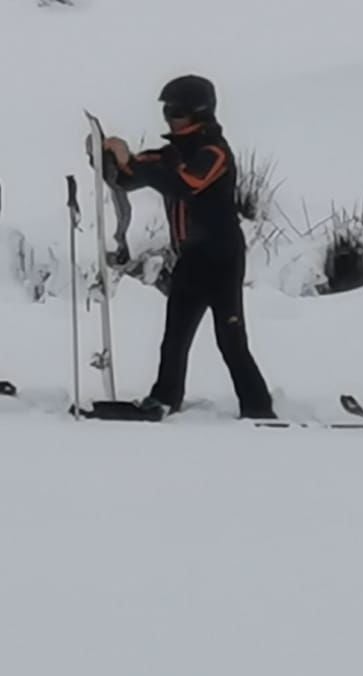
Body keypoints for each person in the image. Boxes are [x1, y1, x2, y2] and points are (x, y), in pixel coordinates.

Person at [101, 74, 276, 420]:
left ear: (200, 113)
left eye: (177, 111)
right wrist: (108, 156)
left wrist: (135, 163)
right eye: (167, 110)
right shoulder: (171, 153)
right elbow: (128, 178)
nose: (170, 117)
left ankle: (258, 407)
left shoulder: (214, 152)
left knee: (231, 339)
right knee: (175, 336)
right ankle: (165, 396)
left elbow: (186, 183)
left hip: (222, 256)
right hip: (191, 257)